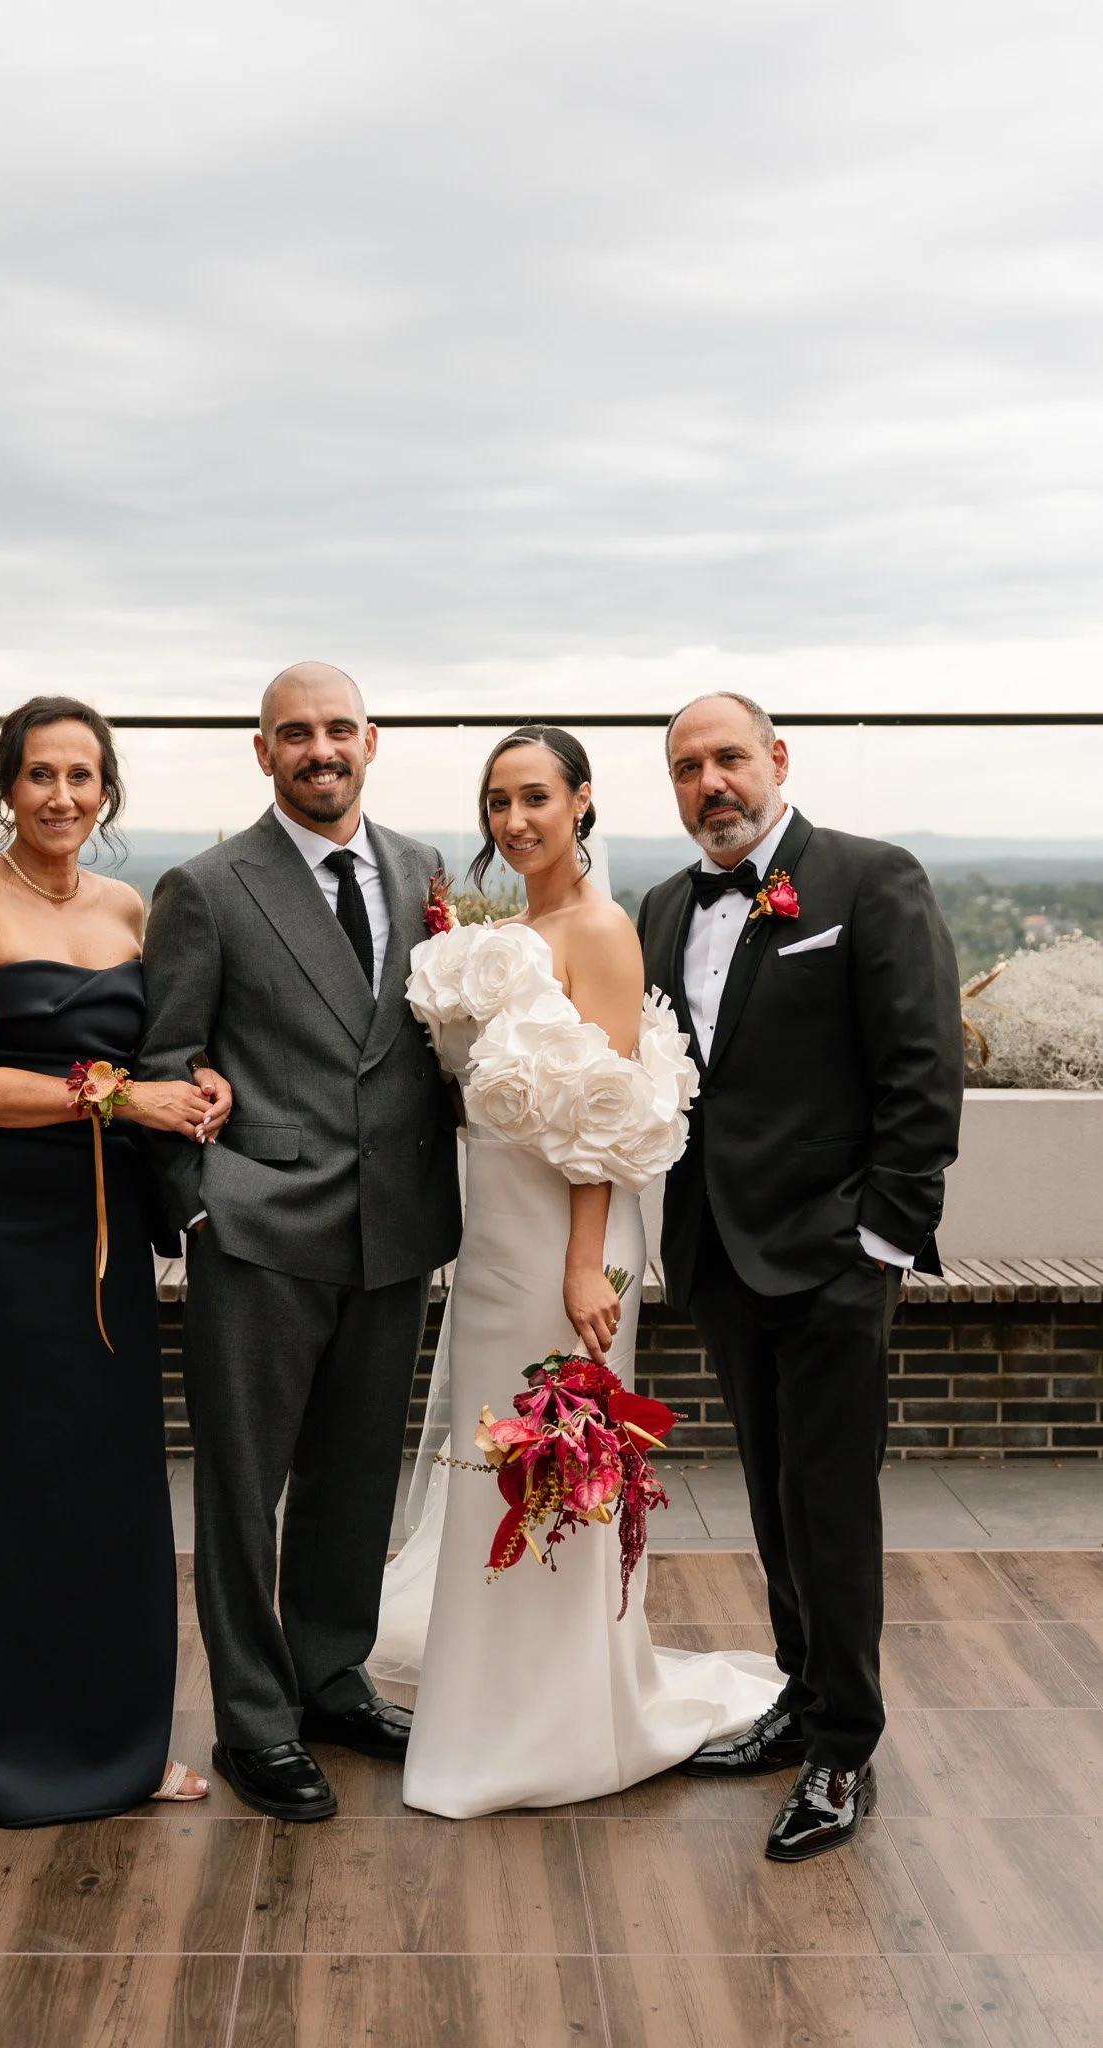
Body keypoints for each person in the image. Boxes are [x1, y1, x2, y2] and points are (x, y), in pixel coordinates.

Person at [373, 724, 779, 1819]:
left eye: (537, 796)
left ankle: (559, 1720)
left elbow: (606, 1112)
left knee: (562, 1462)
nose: (515, 819)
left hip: (569, 1236)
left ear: (584, 801)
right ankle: (487, 1699)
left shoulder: (598, 929)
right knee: (491, 1455)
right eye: (498, 800)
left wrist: (585, 1262)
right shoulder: (513, 926)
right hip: (498, 1228)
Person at [638, 691, 963, 1861]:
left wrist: (881, 1236)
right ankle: (797, 1693)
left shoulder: (873, 881)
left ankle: (844, 1748)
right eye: (687, 767)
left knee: (831, 1502)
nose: (710, 782)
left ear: (777, 758)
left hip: (832, 1256)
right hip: (719, 1253)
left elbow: (923, 1067)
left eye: (728, 758)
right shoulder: (664, 903)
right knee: (774, 1492)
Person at [0, 695, 231, 1826]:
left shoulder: (129, 904)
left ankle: (116, 1742)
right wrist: (124, 1093)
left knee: (100, 1468)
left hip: (99, 1222)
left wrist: (198, 1083)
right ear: (8, 784)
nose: (61, 795)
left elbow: (153, 1052)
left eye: (82, 775)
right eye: (40, 773)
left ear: (107, 790)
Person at [139, 661, 462, 1822]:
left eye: (337, 729)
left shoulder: (427, 870)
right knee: (244, 1488)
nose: (319, 749)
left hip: (395, 1233)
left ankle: (332, 1679)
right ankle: (255, 1721)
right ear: (262, 750)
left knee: (354, 1480)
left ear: (370, 739)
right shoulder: (208, 885)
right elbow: (165, 1060)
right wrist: (200, 1206)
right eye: (294, 733)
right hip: (260, 1227)